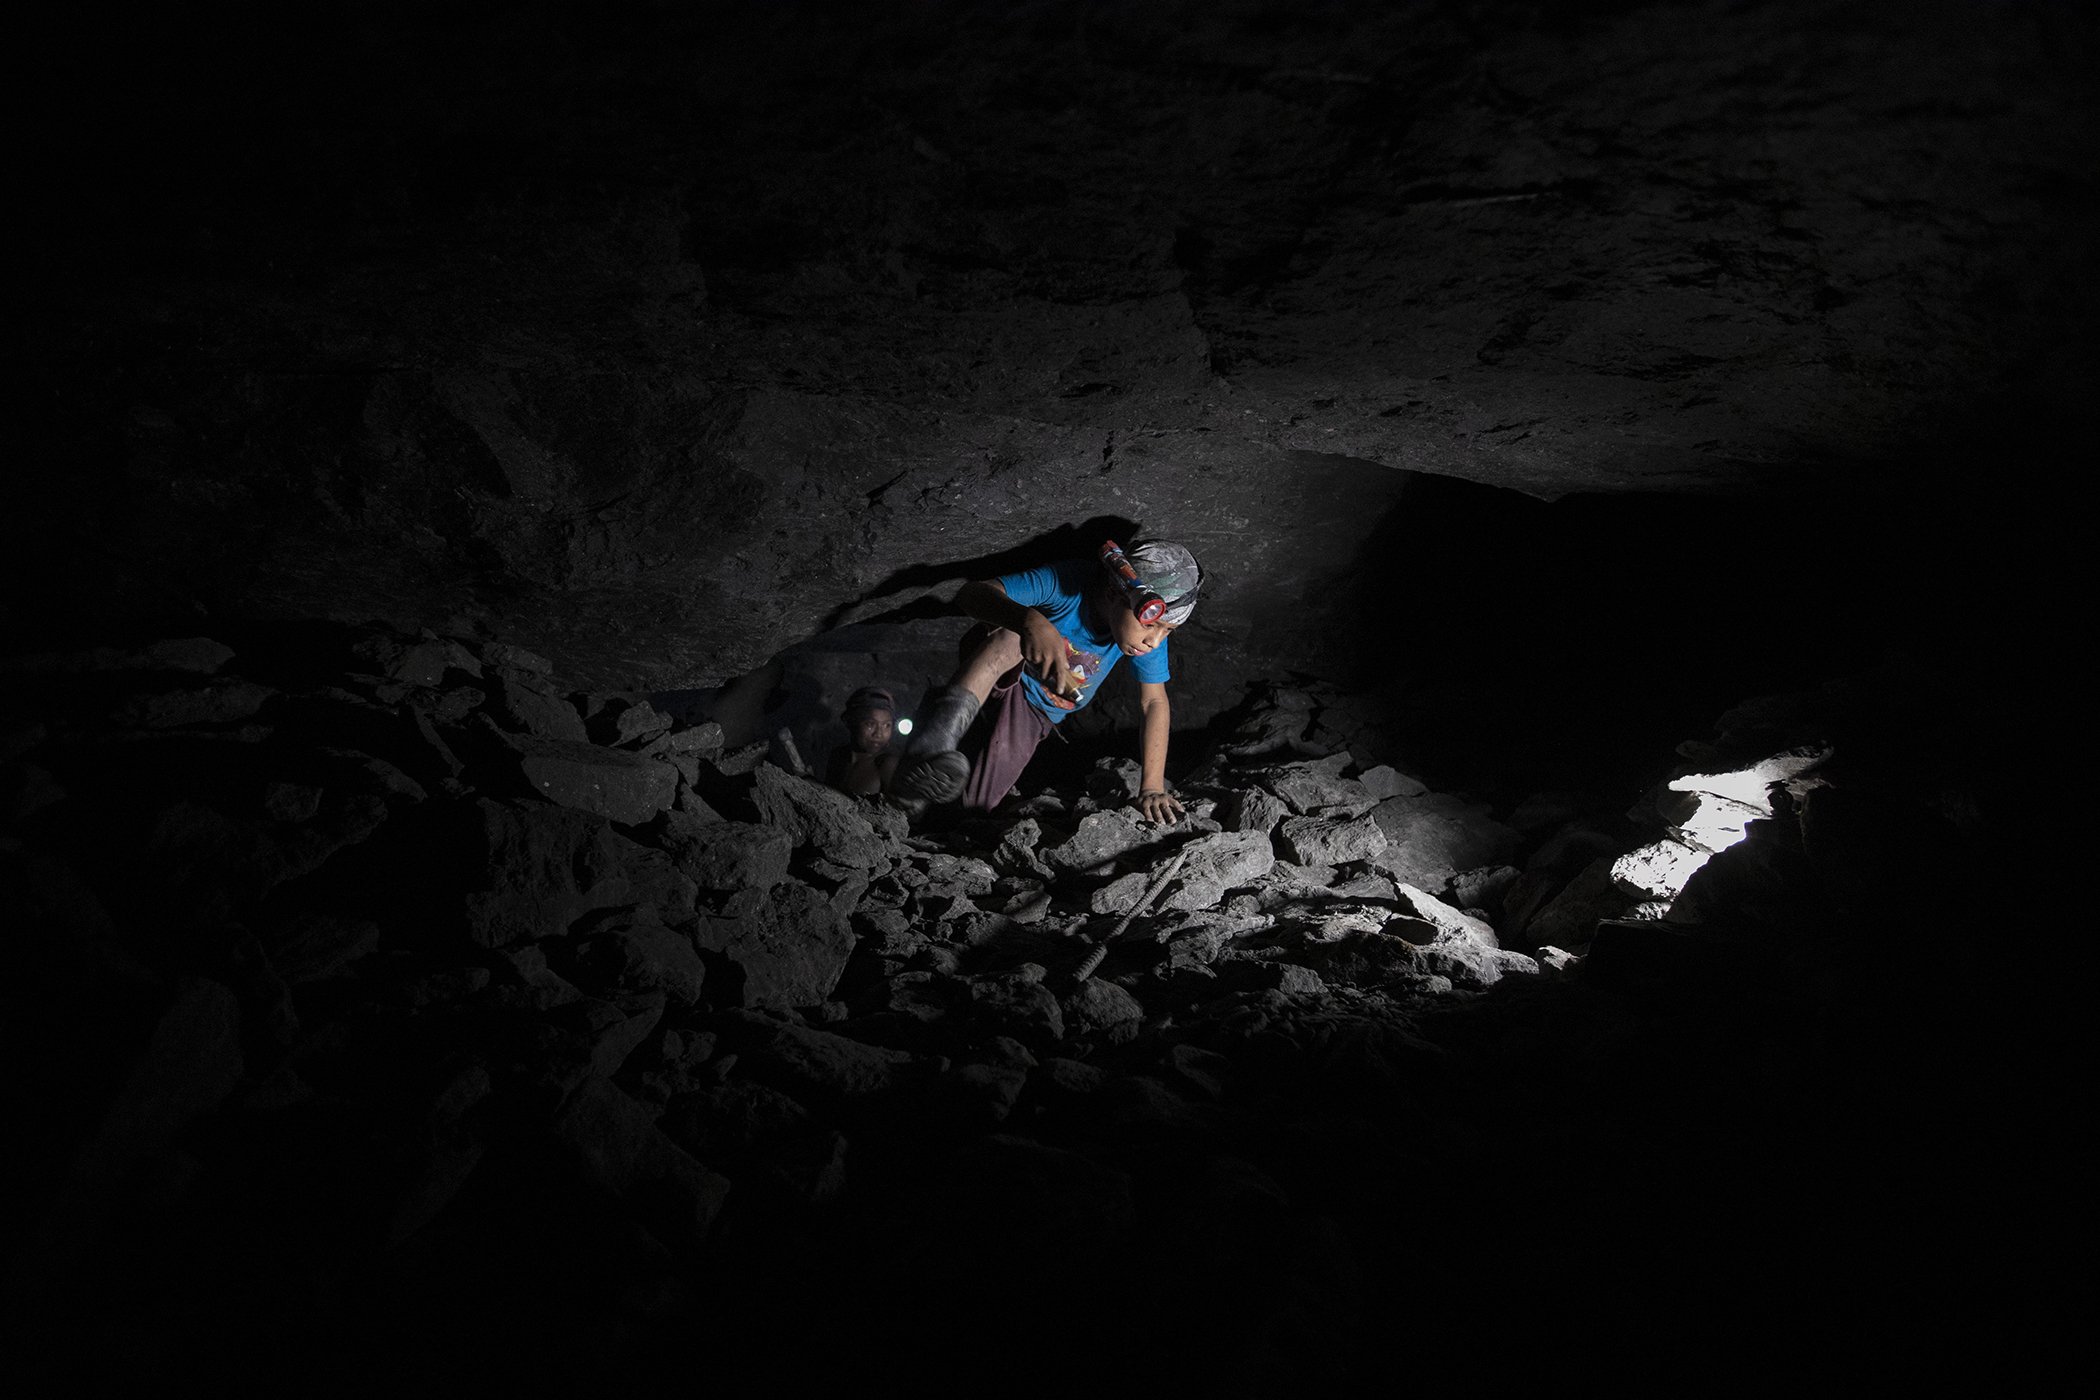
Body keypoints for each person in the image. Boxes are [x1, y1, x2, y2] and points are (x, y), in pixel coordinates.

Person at [893, 538, 1201, 822]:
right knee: (1011, 636)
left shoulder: (1146, 638)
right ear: (1113, 592)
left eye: (1168, 631)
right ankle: (931, 748)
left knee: (976, 805)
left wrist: (1152, 787)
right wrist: (1028, 621)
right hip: (1004, 674)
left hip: (1034, 714)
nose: (1155, 641)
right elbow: (970, 594)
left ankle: (920, 809)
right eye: (1152, 626)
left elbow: (1154, 701)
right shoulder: (1067, 583)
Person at [825, 686, 900, 796]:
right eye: (870, 724)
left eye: (886, 725)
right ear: (850, 721)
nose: (879, 733)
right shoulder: (838, 756)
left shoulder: (887, 765)